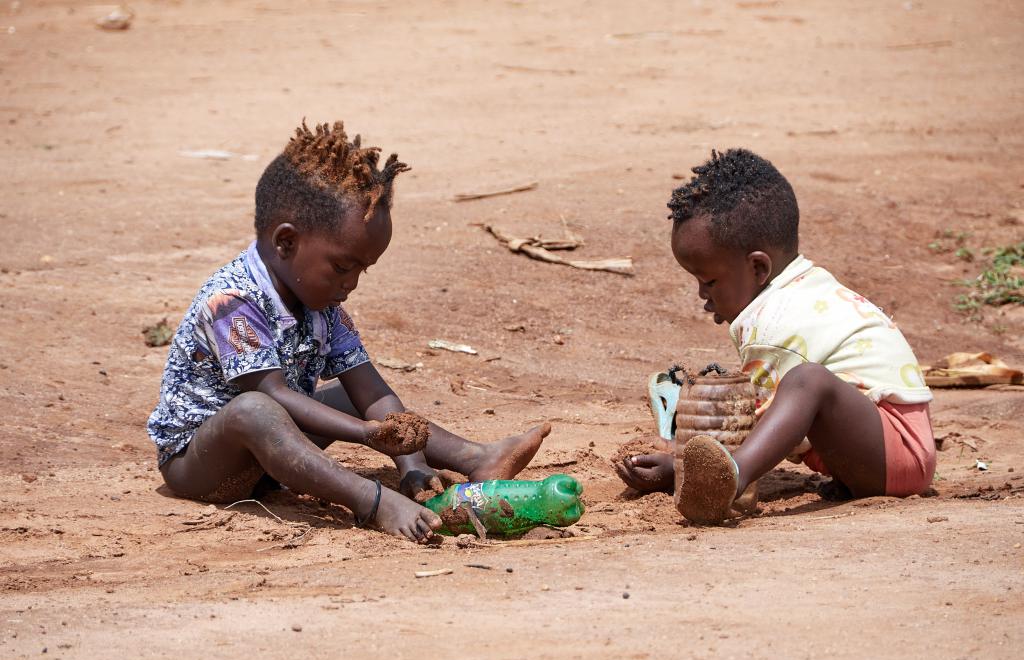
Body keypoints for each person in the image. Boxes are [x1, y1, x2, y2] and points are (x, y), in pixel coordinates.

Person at [148, 120, 550, 542]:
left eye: (363, 269)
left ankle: (475, 457)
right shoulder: (233, 301)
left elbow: (371, 391)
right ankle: (372, 501)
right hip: (203, 466)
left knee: (354, 398)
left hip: (271, 456)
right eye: (342, 267)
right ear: (286, 242)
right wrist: (365, 435)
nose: (352, 283)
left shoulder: (324, 307)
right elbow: (272, 395)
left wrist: (411, 464)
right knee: (255, 409)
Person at [615, 149, 935, 524]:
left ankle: (729, 478)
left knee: (807, 381)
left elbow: (746, 422)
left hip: (897, 453)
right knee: (802, 384)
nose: (703, 294)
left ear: (757, 267)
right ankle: (730, 472)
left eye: (709, 281)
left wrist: (681, 466)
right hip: (884, 450)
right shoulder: (804, 286)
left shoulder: (773, 320)